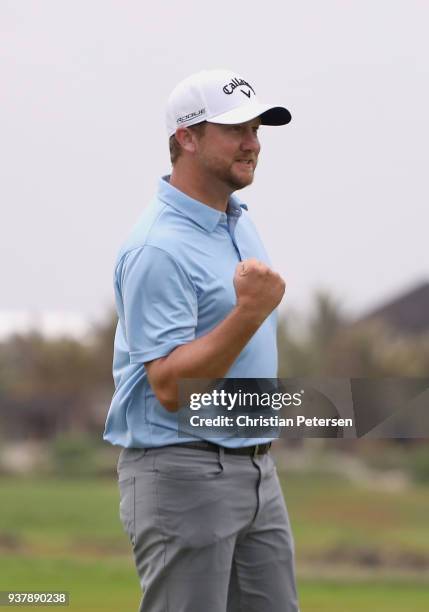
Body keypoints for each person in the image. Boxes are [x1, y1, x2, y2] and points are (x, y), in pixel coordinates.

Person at [103, 69, 299, 612]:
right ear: (185, 138)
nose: (253, 143)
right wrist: (250, 312)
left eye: (257, 128)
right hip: (183, 472)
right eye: (236, 129)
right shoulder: (156, 249)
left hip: (256, 468)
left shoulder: (237, 220)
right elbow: (169, 385)